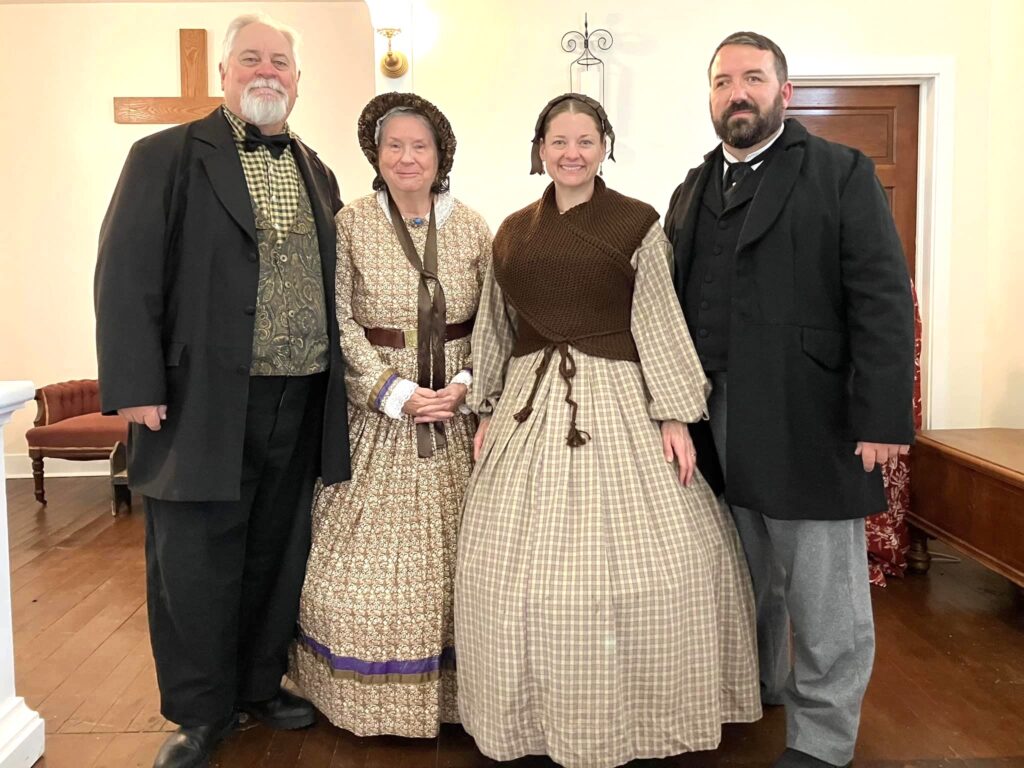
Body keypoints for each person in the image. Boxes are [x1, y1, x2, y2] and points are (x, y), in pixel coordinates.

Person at [455, 93, 761, 768]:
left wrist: (675, 414)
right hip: (531, 404)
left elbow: (657, 319)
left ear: (605, 146)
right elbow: (495, 328)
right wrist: (487, 409)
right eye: (558, 140)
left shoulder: (637, 223)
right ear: (539, 149)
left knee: (664, 561)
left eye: (585, 140)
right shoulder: (510, 232)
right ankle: (529, 714)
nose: (571, 152)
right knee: (510, 573)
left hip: (619, 397)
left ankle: (648, 712)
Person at [94, 13, 349, 768]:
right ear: (225, 75)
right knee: (196, 557)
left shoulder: (318, 169)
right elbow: (125, 272)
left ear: (298, 81)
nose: (267, 72)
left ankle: (259, 684)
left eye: (281, 62)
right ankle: (200, 711)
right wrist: (135, 385)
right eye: (252, 60)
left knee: (277, 545)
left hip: (300, 393)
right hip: (195, 397)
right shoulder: (165, 155)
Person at [664, 31, 915, 768]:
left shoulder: (840, 172)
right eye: (722, 82)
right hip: (714, 422)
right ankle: (761, 689)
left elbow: (881, 301)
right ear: (710, 97)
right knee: (746, 581)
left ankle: (823, 740)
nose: (736, 92)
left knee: (825, 599)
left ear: (785, 91)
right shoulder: (692, 186)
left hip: (813, 419)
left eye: (752, 78)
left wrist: (879, 416)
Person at [289, 92, 490, 738]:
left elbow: (496, 320)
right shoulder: (350, 224)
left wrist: (463, 383)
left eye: (420, 145)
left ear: (441, 155)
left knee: (467, 567)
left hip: (456, 418)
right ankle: (364, 700)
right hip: (377, 421)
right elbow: (339, 321)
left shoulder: (473, 226)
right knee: (356, 578)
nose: (407, 157)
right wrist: (394, 393)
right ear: (376, 156)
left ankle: (459, 698)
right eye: (394, 146)